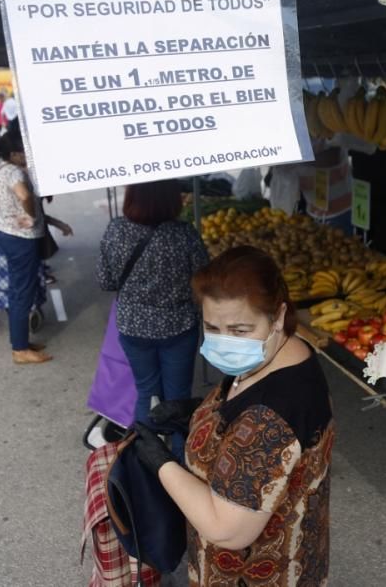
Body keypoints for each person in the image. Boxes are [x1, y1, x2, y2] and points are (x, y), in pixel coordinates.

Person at [134, 245, 334, 585]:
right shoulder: (281, 352)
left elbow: (226, 530)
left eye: (240, 331)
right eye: (213, 327)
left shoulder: (270, 420)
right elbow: (244, 405)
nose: (225, 342)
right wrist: (199, 411)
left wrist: (160, 464)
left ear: (279, 316)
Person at [96, 179, 208, 455]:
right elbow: (204, 280)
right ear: (171, 198)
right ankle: (183, 463)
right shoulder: (184, 235)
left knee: (145, 391)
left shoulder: (116, 230)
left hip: (133, 327)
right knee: (179, 395)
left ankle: (146, 457)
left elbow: (106, 281)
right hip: (178, 326)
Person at [0, 128, 72, 364]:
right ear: (15, 153)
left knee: (21, 290)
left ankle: (22, 342)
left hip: (11, 234)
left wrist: (52, 221)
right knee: (22, 292)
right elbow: (24, 196)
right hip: (21, 239)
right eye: (25, 151)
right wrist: (31, 216)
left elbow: (7, 202)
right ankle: (20, 349)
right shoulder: (15, 172)